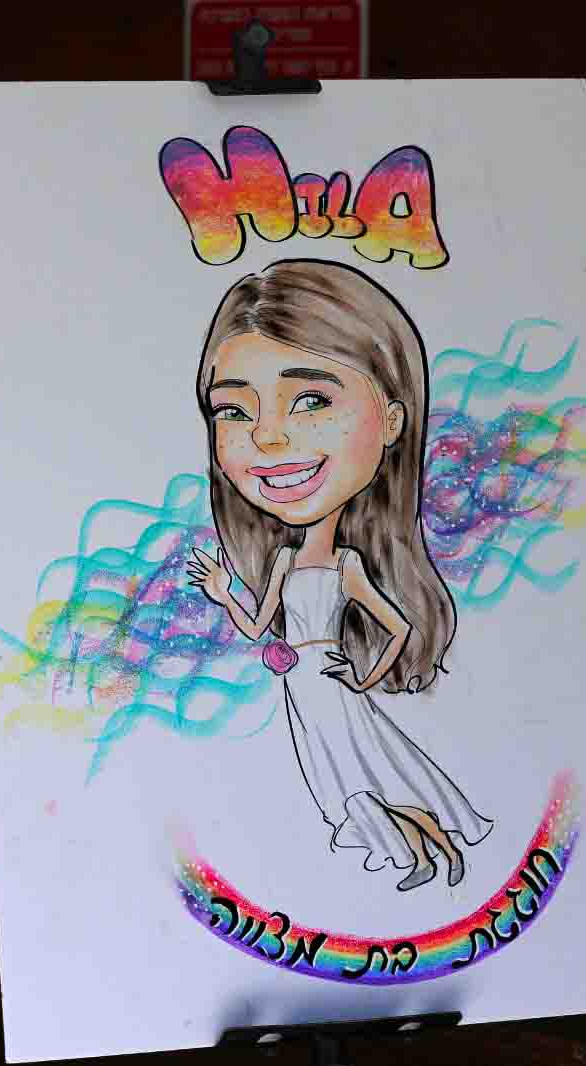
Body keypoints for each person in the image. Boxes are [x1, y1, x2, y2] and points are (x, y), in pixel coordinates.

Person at [184, 258, 493, 892]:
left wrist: (363, 676)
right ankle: (424, 853)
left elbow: (398, 628)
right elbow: (258, 626)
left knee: (365, 772)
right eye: (233, 411)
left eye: (312, 400)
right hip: (300, 683)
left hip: (328, 681)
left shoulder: (349, 564)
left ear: (393, 418)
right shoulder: (282, 561)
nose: (268, 438)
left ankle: (430, 849)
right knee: (342, 781)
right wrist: (223, 593)